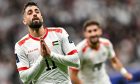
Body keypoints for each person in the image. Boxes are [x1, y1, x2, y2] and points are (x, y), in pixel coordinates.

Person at [14, 1, 80, 84]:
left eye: (37, 12)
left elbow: (76, 61)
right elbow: (25, 79)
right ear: (24, 21)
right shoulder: (20, 45)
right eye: (30, 13)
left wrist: (51, 55)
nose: (34, 14)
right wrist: (42, 58)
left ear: (41, 17)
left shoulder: (59, 33)